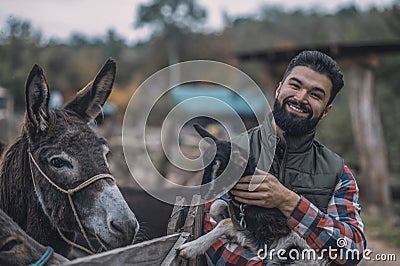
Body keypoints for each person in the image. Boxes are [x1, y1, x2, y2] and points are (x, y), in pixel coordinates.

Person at [202, 50, 366, 265]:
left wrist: (289, 202)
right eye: (295, 86)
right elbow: (209, 228)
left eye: (315, 95)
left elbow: (352, 250)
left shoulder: (338, 173)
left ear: (326, 111)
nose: (300, 98)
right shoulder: (232, 153)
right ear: (279, 89)